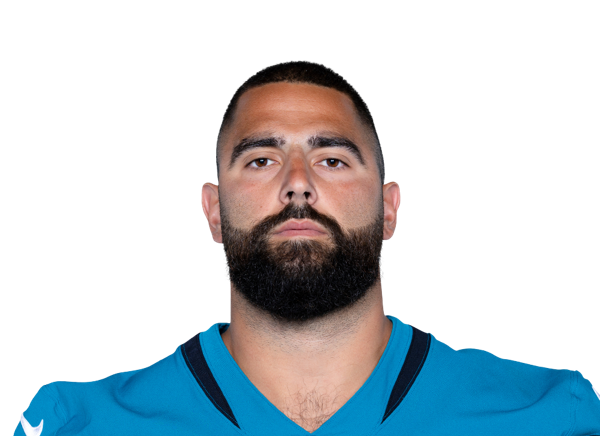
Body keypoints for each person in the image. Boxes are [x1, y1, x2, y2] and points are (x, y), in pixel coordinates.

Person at [15, 61, 600, 435]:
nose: (298, 183)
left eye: (332, 159)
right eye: (261, 159)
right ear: (213, 210)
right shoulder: (74, 423)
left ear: (390, 207)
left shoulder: (557, 414)